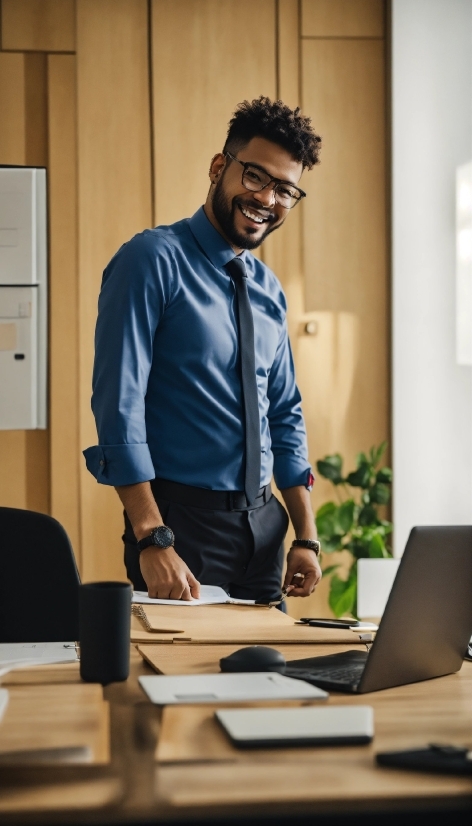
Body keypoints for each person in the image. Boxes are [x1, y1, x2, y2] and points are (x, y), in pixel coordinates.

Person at [84, 96, 323, 605]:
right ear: (220, 167)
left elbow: (284, 413)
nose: (268, 199)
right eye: (256, 177)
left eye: (286, 190)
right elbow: (118, 405)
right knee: (187, 679)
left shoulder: (268, 288)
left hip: (264, 529)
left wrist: (305, 535)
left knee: (268, 678)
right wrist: (152, 535)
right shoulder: (149, 261)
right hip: (183, 527)